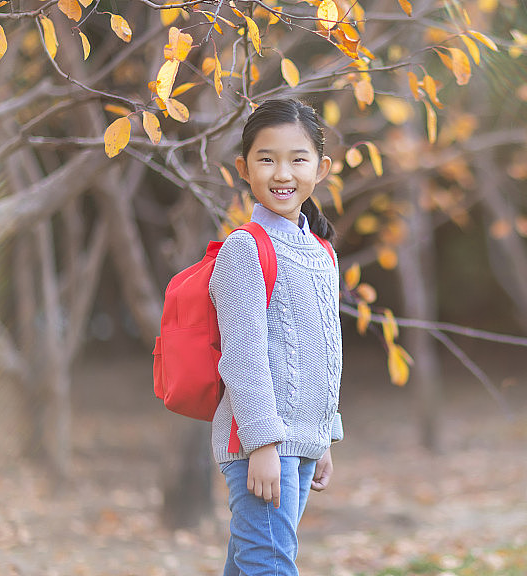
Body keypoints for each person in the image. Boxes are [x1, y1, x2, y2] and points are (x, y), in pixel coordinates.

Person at [209, 98, 343, 576]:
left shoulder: (321, 252)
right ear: (244, 169)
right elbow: (242, 359)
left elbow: (322, 353)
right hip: (262, 445)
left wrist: (324, 435)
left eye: (297, 159)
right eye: (267, 159)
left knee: (255, 566)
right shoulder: (245, 249)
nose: (282, 173)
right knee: (269, 566)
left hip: (299, 444)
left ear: (320, 169)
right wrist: (263, 446)